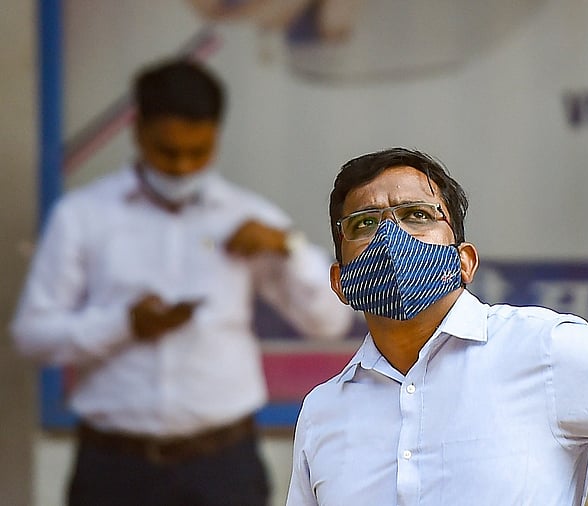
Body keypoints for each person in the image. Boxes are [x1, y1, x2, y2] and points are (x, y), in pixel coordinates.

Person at [285, 147, 588, 505]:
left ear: (464, 262)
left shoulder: (542, 350)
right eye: (365, 223)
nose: (392, 237)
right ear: (341, 280)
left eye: (418, 215)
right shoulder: (324, 410)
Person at [10, 58, 353, 506]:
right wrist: (123, 324)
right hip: (114, 465)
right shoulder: (83, 217)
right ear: (137, 132)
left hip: (222, 466)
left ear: (216, 137)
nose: (183, 166)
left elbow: (328, 323)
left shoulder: (249, 220)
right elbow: (32, 336)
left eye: (199, 152)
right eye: (167, 151)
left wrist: (289, 248)